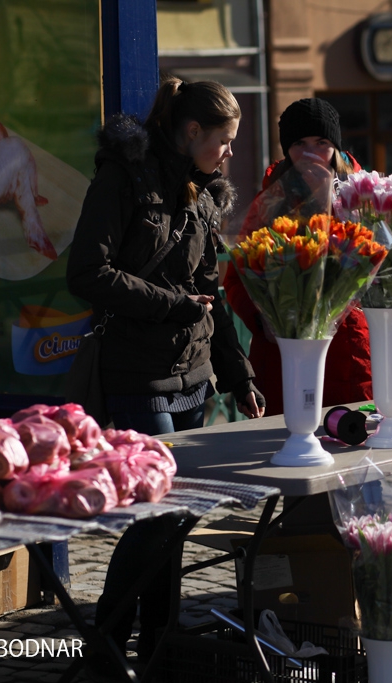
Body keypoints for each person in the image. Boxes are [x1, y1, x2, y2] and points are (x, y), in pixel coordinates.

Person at [66, 77, 266, 667]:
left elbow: (211, 293)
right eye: (224, 140)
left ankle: (159, 643)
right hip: (137, 374)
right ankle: (108, 642)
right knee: (157, 511)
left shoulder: (203, 194)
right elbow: (86, 273)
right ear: (191, 130)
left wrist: (239, 374)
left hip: (194, 378)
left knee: (175, 515)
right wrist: (169, 304)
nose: (230, 152)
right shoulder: (123, 177)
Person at [223, 98, 373, 415]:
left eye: (321, 142)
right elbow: (236, 278)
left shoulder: (363, 195)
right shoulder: (269, 201)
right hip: (282, 357)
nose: (310, 153)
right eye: (299, 143)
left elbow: (377, 262)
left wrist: (327, 201)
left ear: (336, 146)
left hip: (348, 355)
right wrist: (261, 319)